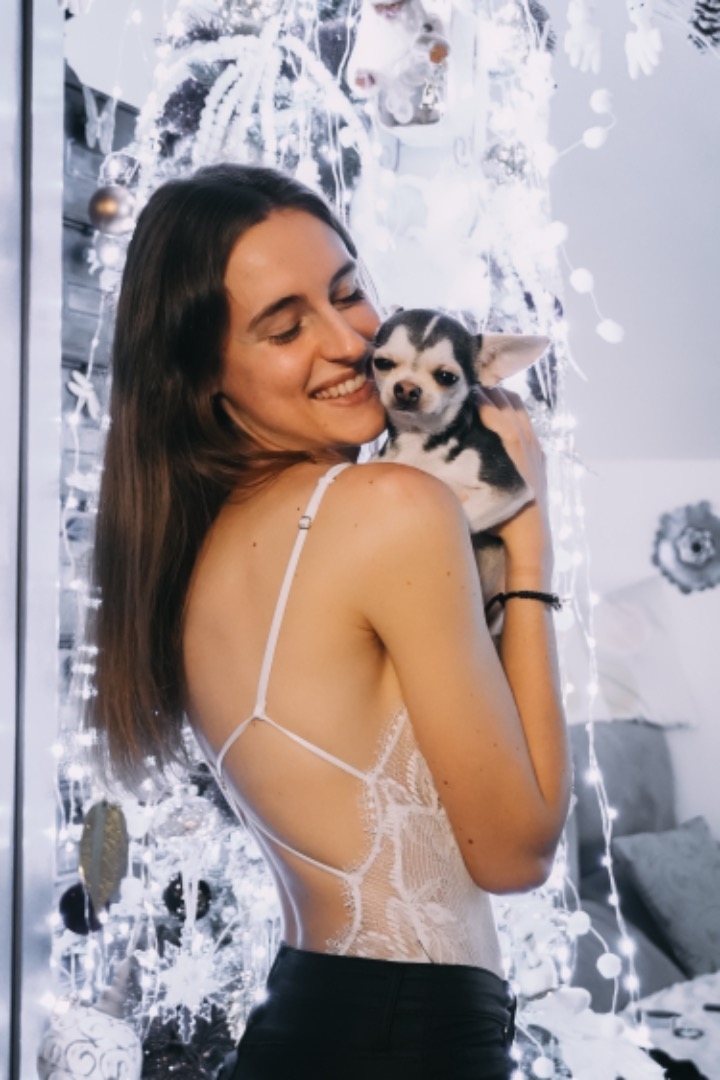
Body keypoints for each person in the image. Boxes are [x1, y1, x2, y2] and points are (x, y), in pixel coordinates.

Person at [89, 163, 571, 1079]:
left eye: (348, 294)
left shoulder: (192, 554)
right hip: (406, 1038)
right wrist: (529, 547)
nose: (351, 343)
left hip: (312, 1017)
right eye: (285, 327)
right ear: (203, 373)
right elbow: (516, 851)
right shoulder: (385, 507)